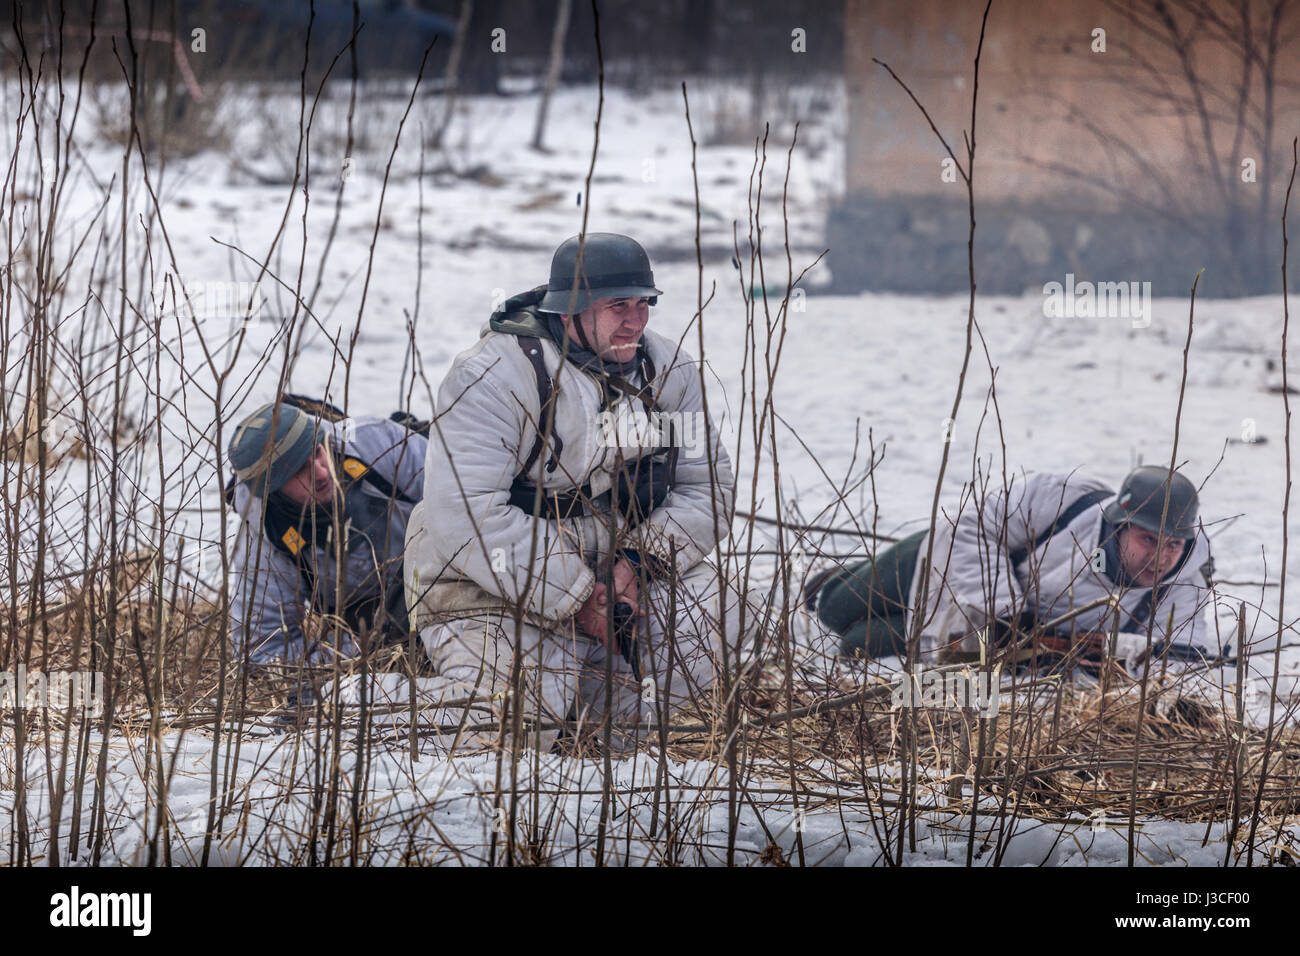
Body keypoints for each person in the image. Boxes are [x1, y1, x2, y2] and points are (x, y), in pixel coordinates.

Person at [403, 233, 760, 752]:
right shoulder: (493, 374)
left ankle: (596, 728)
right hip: (485, 581)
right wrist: (574, 594)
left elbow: (706, 488)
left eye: (645, 304)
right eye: (618, 306)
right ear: (570, 310)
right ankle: (362, 700)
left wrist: (638, 563)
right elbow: (465, 514)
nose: (636, 321)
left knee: (719, 613)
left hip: (616, 583)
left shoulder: (671, 373)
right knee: (517, 725)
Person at [804, 465, 1217, 670]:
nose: (1162, 557)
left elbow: (1174, 662)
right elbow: (969, 527)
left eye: (1174, 545)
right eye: (1148, 540)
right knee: (833, 608)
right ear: (1119, 526)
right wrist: (1008, 614)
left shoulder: (1185, 584)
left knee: (854, 644)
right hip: (942, 563)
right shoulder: (1064, 499)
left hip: (976, 631)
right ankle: (844, 573)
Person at [226, 399, 427, 667]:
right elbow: (260, 650)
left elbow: (466, 507)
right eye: (299, 470)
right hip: (370, 623)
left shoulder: (379, 442)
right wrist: (361, 650)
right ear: (271, 489)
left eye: (318, 452)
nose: (321, 472)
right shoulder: (265, 538)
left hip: (438, 571)